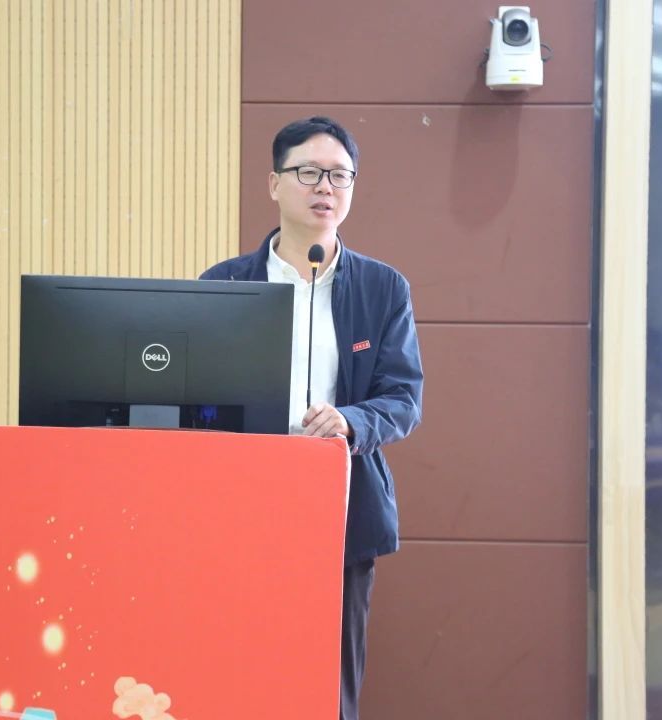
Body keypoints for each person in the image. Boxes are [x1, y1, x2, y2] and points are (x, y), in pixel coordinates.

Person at [200, 116, 424, 720]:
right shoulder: (226, 283)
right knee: (234, 672)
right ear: (274, 183)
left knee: (329, 684)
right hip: (240, 507)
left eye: (340, 175)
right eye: (308, 172)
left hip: (342, 509)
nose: (325, 186)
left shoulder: (382, 289)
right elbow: (197, 396)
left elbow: (403, 398)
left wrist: (350, 420)